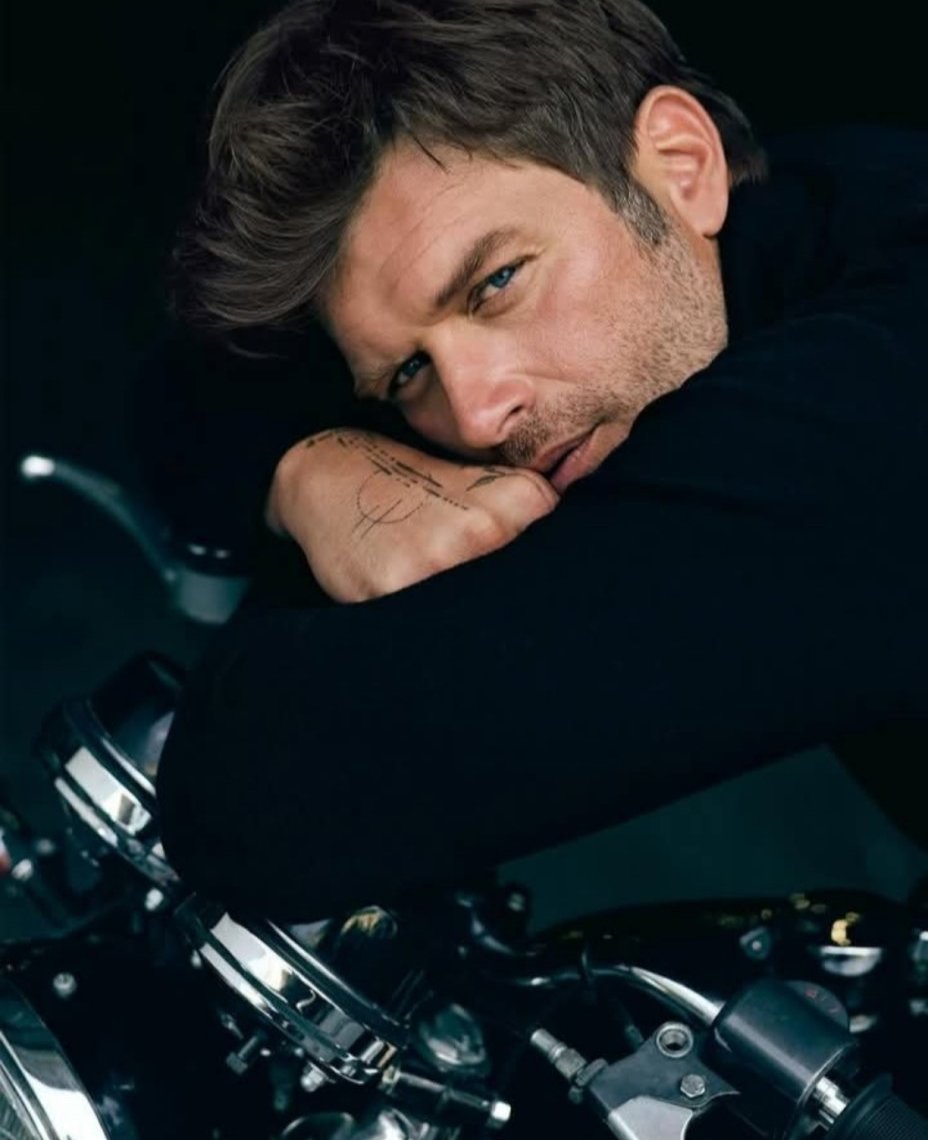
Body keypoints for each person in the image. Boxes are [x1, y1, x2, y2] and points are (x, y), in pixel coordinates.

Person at [153, 0, 927, 922]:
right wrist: (313, 471)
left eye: (497, 283)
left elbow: (261, 805)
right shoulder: (820, 207)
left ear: (682, 164)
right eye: (407, 374)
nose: (479, 416)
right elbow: (190, 395)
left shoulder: (870, 404)